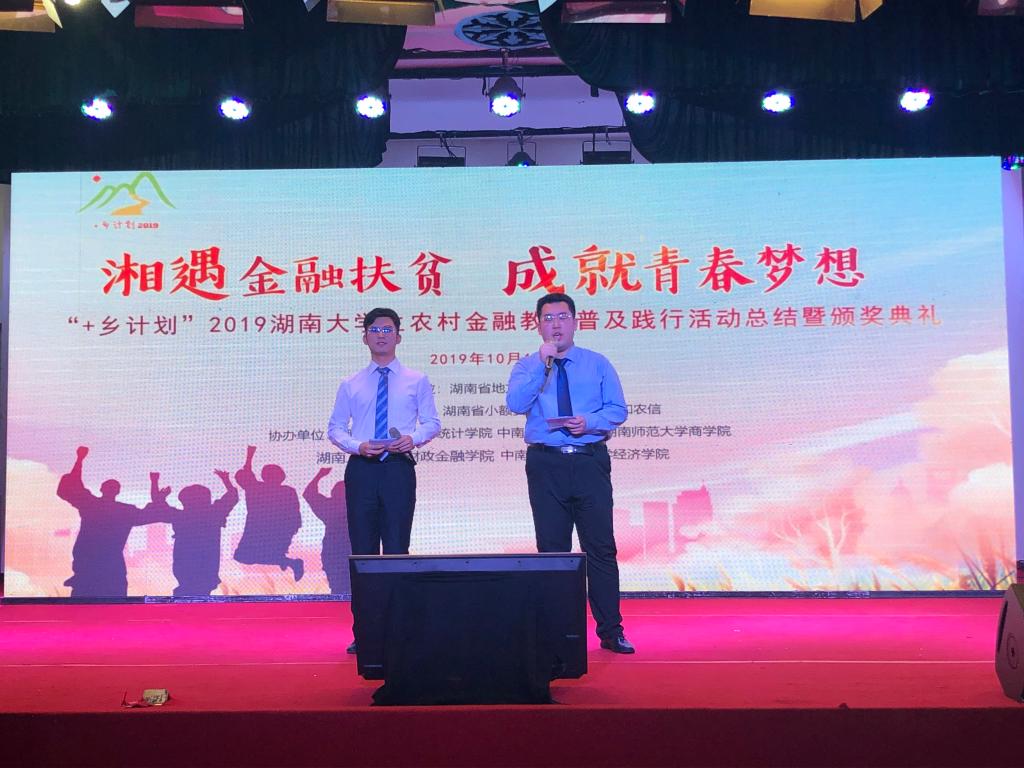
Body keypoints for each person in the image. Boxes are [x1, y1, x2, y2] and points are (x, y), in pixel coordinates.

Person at [505, 292, 634, 654]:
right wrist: (541, 365)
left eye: (562, 317)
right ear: (537, 325)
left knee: (601, 548)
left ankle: (611, 631)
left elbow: (618, 410)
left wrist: (588, 421)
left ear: (576, 322)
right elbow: (515, 403)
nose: (556, 325)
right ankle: (558, 636)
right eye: (548, 319)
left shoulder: (597, 364)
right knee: (552, 550)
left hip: (590, 461)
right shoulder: (527, 366)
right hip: (546, 464)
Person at [327, 307, 441, 653]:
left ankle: (399, 630)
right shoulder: (351, 383)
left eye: (387, 329)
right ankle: (365, 633)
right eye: (374, 330)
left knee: (396, 549)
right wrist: (357, 445)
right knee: (363, 552)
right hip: (362, 469)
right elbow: (335, 429)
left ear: (398, 336)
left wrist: (413, 438)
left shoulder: (416, 380)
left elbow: (432, 423)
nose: (381, 335)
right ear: (365, 337)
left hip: (397, 470)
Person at [56, 446, 163, 597]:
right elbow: (153, 513)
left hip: (97, 566)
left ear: (102, 489)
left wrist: (80, 459)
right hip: (103, 566)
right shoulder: (121, 510)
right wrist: (155, 487)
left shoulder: (92, 504)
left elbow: (73, 487)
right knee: (107, 600)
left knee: (93, 601)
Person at [147, 469, 238, 597]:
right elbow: (233, 496)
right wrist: (225, 480)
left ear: (184, 501)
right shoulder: (214, 514)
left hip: (184, 566)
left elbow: (158, 505)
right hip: (207, 568)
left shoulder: (180, 516)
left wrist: (154, 483)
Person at [233, 445, 304, 582]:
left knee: (245, 556)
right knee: (246, 556)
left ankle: (288, 562)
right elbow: (295, 513)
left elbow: (244, 475)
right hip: (264, 530)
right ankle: (287, 562)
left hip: (267, 530)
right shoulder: (285, 490)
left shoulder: (257, 488)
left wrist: (249, 457)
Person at [303, 467, 351, 596]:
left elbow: (308, 493)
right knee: (338, 587)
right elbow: (308, 494)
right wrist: (319, 475)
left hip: (346, 550)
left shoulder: (355, 506)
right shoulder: (331, 505)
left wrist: (319, 475)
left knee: (343, 586)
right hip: (334, 551)